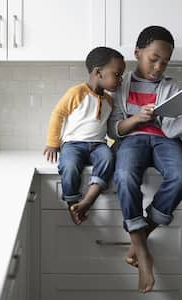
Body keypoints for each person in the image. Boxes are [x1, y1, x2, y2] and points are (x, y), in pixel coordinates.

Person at [108, 25, 182, 294]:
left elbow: (173, 128)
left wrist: (168, 118)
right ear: (138, 53)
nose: (159, 66)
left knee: (180, 175)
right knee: (124, 175)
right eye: (154, 59)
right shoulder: (120, 84)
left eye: (165, 62)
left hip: (164, 139)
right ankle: (144, 254)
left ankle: (139, 239)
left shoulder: (171, 86)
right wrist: (137, 118)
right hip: (133, 138)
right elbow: (113, 129)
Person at [43, 46, 125, 225]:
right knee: (70, 166)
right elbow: (57, 114)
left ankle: (88, 200)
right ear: (98, 73)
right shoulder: (76, 93)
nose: (120, 80)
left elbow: (111, 127)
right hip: (73, 144)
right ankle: (72, 204)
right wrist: (52, 143)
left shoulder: (110, 100)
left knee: (108, 158)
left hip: (98, 144)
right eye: (117, 74)